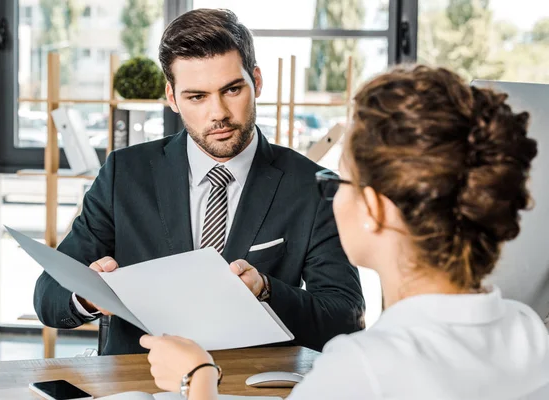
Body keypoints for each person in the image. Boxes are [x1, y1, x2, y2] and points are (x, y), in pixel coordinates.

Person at [138, 65, 549, 399]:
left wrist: (197, 378)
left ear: (373, 209)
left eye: (338, 185)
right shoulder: (529, 333)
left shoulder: (361, 370)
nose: (331, 198)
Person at [33, 8, 365, 355]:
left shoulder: (313, 187)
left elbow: (345, 319)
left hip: (252, 386)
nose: (218, 113)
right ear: (172, 97)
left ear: (257, 82)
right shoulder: (124, 174)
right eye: (197, 97)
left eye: (232, 90)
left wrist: (266, 289)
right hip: (140, 384)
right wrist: (89, 294)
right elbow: (48, 297)